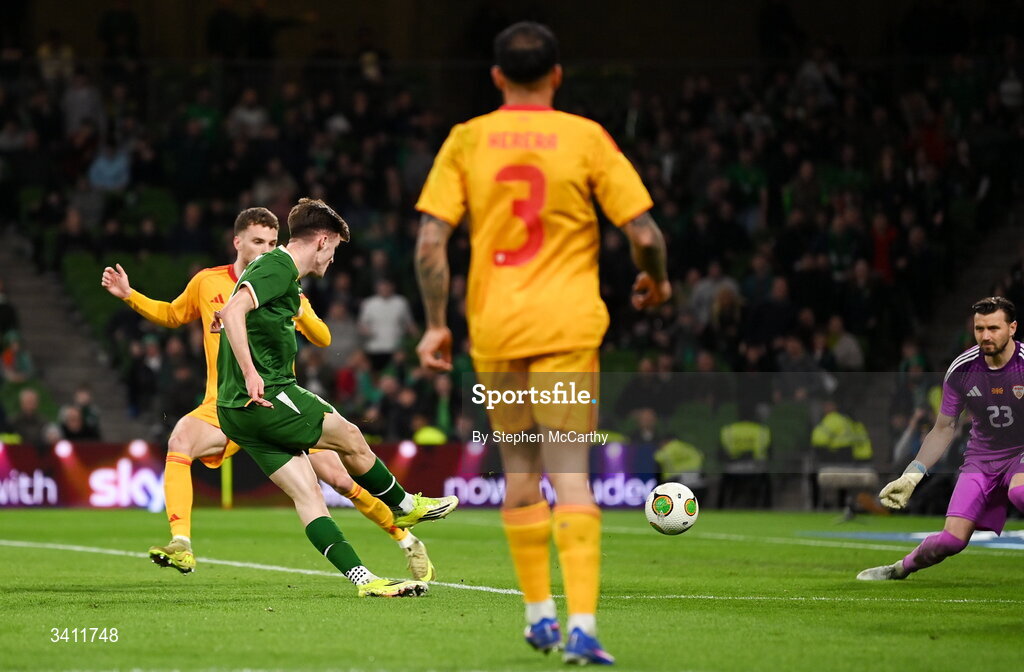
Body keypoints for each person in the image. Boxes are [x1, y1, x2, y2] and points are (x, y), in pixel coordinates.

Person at [414, 22, 670, 664]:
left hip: (497, 331)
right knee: (571, 477)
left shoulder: (466, 140)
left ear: (497, 77)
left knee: (521, 471)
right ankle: (582, 625)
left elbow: (428, 244)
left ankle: (538, 616)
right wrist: (656, 281)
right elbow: (645, 234)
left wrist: (436, 322)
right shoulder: (585, 138)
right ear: (557, 76)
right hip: (565, 330)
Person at [101, 207, 436, 582]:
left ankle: (406, 539)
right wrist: (130, 295)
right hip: (225, 405)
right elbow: (172, 314)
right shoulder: (208, 282)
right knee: (180, 440)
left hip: (277, 404)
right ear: (237, 242)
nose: (265, 249)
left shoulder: (283, 282)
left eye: (273, 243)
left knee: (341, 481)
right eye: (258, 241)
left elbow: (323, 338)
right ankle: (181, 542)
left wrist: (298, 311)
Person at [215, 198, 458, 597]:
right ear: (323, 242)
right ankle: (402, 505)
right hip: (267, 396)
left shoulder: (280, 276)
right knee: (349, 435)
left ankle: (366, 581)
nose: (333, 262)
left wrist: (234, 324)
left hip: (236, 412)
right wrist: (250, 371)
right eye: (335, 251)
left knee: (309, 494)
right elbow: (233, 312)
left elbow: (233, 311)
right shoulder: (279, 266)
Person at [858, 297, 1024, 580]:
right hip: (981, 461)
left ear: (1012, 328)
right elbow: (944, 428)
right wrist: (911, 475)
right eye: (979, 328)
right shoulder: (961, 370)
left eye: (994, 328)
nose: (985, 336)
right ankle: (899, 568)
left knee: (1019, 493)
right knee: (951, 541)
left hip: (1020, 453)